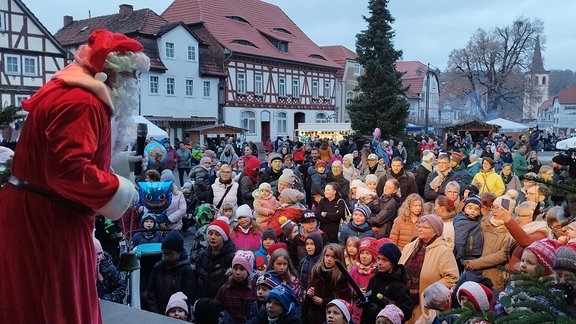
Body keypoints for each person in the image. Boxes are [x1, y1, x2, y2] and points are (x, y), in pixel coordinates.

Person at [0, 30, 149, 323]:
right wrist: (122, 189)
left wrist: (113, 165)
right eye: (131, 75)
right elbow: (68, 170)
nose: (133, 84)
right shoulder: (81, 101)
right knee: (52, 306)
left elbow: (56, 160)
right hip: (48, 221)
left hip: (47, 212)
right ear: (111, 73)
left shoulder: (72, 93)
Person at [399, 215, 459, 323]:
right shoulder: (410, 247)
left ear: (435, 232)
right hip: (404, 302)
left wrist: (431, 289)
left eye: (425, 227)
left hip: (427, 305)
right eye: (419, 226)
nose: (420, 229)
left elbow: (452, 277)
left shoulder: (443, 251)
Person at [146, 230, 196, 314]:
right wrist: (156, 313)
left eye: (170, 254)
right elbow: (151, 294)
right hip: (159, 312)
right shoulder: (157, 268)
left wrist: (177, 312)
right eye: (164, 254)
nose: (166, 257)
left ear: (179, 253)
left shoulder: (186, 270)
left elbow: (188, 296)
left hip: (178, 315)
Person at [361, 242, 413, 324]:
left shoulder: (400, 286)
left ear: (393, 263)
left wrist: (382, 310)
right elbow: (368, 305)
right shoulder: (374, 280)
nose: (380, 263)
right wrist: (364, 302)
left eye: (384, 260)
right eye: (378, 259)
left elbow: (406, 312)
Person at [305, 243, 353, 324]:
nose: (329, 259)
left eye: (333, 257)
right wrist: (309, 294)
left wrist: (323, 302)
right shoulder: (316, 271)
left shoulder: (341, 277)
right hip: (314, 317)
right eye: (327, 255)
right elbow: (309, 294)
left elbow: (344, 303)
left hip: (333, 318)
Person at [195, 219, 237, 298]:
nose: (213, 237)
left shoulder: (232, 258)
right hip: (202, 299)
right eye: (210, 234)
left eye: (217, 235)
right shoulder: (201, 256)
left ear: (224, 237)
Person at [216, 250, 257, 323]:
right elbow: (217, 309)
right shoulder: (225, 289)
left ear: (248, 271)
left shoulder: (254, 289)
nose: (238, 272)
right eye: (235, 268)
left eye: (242, 269)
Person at [349, 237, 379, 323]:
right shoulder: (354, 270)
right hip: (355, 313)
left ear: (373, 255)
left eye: (367, 253)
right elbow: (346, 287)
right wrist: (354, 292)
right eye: (362, 253)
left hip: (370, 314)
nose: (364, 256)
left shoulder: (376, 272)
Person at [453, 195, 484, 269]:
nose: (472, 211)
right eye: (469, 208)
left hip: (474, 252)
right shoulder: (463, 221)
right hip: (467, 254)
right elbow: (459, 240)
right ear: (464, 209)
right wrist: (460, 256)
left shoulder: (476, 220)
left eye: (476, 209)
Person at [94, 237, 126, 304]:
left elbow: (121, 288)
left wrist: (106, 299)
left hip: (111, 306)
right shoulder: (83, 272)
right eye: (94, 254)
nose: (98, 257)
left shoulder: (109, 269)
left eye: (99, 254)